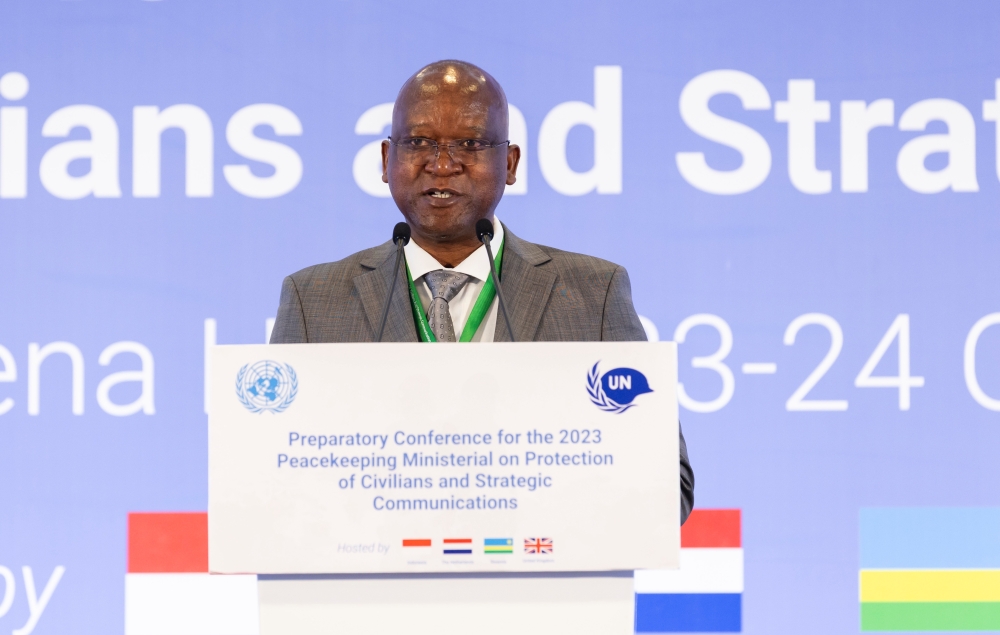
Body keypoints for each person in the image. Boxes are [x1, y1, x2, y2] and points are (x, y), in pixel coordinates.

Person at [269, 60, 694, 523]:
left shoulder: (594, 294)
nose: (442, 164)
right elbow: (272, 483)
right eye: (419, 142)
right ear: (387, 160)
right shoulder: (314, 301)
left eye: (470, 144)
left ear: (509, 164)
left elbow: (667, 489)